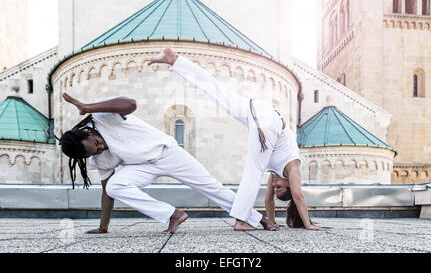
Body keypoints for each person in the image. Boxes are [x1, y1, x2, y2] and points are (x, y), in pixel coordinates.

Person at [149, 48, 327, 231]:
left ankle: (176, 60)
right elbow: (298, 196)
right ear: (289, 184)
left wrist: (272, 220)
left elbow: (268, 200)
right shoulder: (293, 166)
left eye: (276, 188)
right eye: (280, 187)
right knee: (253, 171)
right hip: (270, 122)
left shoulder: (276, 175)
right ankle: (241, 221)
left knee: (218, 92)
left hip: (257, 110)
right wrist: (308, 224)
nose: (275, 185)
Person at [59, 93, 278, 234]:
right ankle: (172, 214)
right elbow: (108, 193)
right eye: (95, 151)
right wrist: (103, 227)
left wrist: (87, 106)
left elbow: (131, 103)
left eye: (96, 143)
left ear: (87, 131)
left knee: (211, 187)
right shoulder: (101, 159)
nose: (100, 148)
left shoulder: (104, 118)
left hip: (167, 153)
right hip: (141, 166)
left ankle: (260, 220)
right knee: (115, 186)